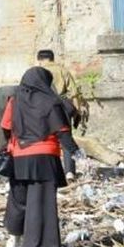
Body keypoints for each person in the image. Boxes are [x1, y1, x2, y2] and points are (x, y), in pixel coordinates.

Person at [0, 66, 89, 247]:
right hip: (44, 158)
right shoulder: (51, 102)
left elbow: (6, 126)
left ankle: (14, 241)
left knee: (17, 199)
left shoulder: (14, 100)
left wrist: (14, 143)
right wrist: (76, 153)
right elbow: (62, 132)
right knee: (40, 203)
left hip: (19, 156)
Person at [35, 49, 85, 179]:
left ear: (40, 60)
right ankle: (69, 172)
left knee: (45, 140)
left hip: (45, 108)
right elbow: (74, 93)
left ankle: (48, 172)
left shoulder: (38, 72)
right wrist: (77, 111)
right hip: (63, 106)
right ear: (52, 58)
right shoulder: (63, 70)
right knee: (66, 139)